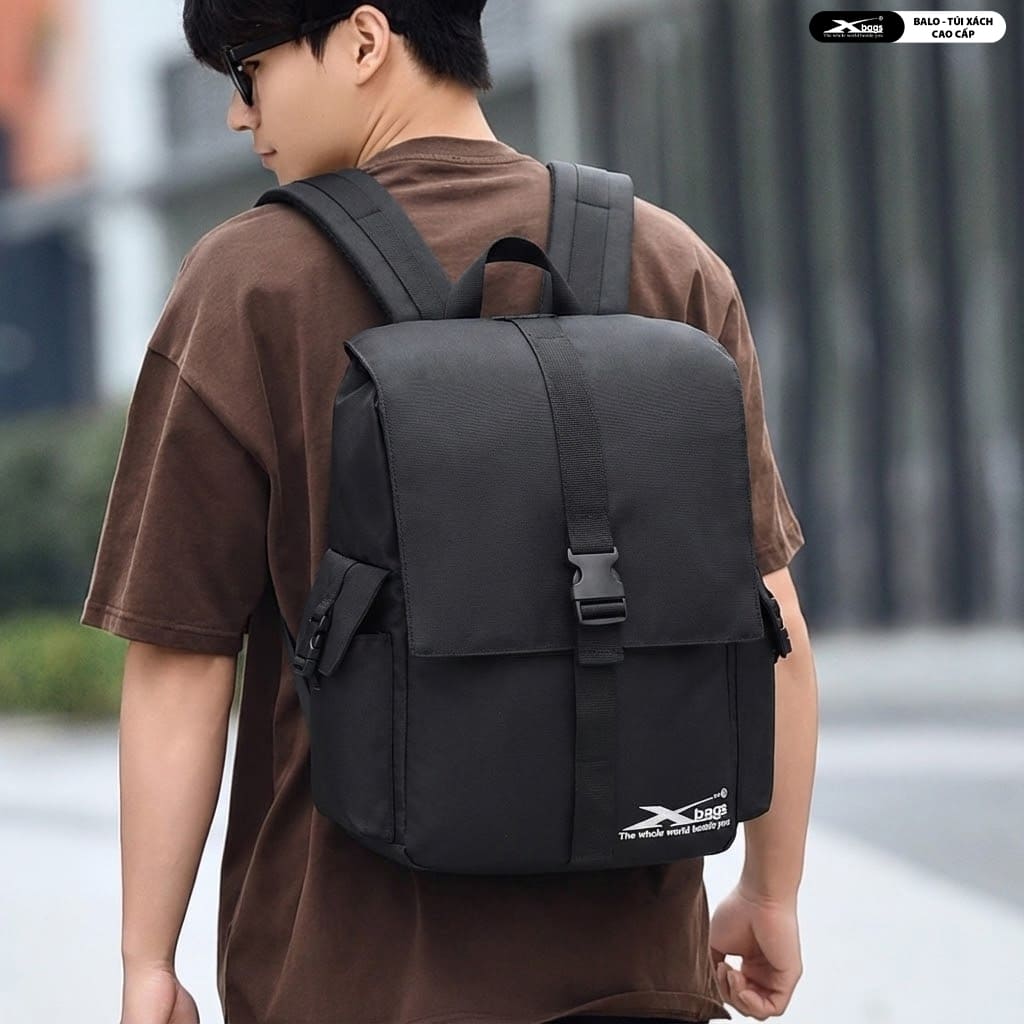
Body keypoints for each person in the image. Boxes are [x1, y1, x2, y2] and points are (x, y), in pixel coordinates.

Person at [80, 3, 818, 1023]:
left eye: (248, 72)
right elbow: (771, 623)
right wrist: (770, 893)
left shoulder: (247, 282)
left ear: (364, 39)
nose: (239, 117)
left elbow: (180, 661)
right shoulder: (669, 262)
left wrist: (147, 961)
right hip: (635, 970)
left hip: (348, 980)